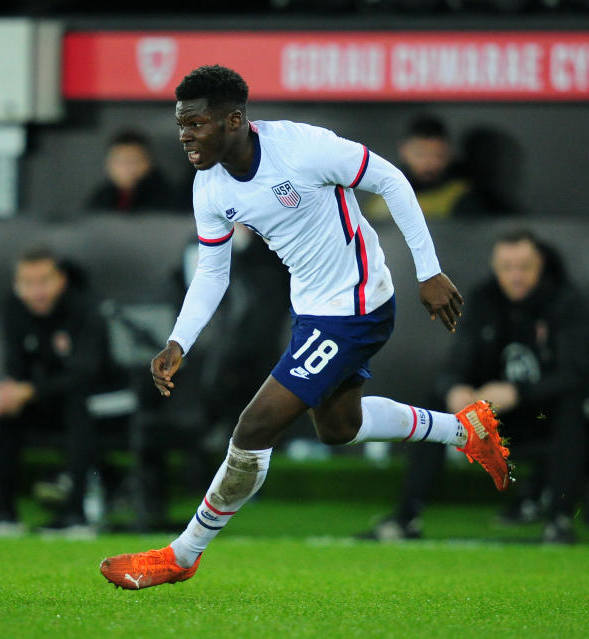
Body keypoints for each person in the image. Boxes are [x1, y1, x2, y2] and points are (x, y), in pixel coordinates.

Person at [99, 65, 512, 590]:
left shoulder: (302, 147)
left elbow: (390, 178)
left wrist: (428, 270)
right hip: (315, 309)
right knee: (339, 427)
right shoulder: (209, 186)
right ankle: (465, 429)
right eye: (181, 125)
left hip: (357, 306)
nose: (185, 137)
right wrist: (180, 339)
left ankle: (182, 554)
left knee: (253, 429)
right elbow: (212, 270)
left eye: (196, 124)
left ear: (233, 120)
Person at [365, 230, 587, 544]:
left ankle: (559, 522)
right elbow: (457, 360)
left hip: (542, 419)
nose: (516, 275)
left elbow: (574, 374)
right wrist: (455, 388)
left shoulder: (565, 301)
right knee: (436, 399)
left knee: (573, 405)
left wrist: (519, 392)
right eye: (507, 267)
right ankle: (406, 518)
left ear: (541, 266)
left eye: (524, 266)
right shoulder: (484, 298)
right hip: (491, 418)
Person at [0, 247, 120, 537]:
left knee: (78, 406)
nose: (36, 291)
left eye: (44, 281)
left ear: (61, 280)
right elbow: (15, 364)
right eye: (27, 283)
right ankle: (3, 513)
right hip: (47, 397)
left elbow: (87, 373)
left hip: (101, 399)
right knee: (8, 411)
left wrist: (31, 390)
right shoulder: (13, 308)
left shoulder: (86, 307)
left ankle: (76, 513)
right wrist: (13, 391)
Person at [362, 115, 470, 221]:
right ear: (404, 151)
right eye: (420, 154)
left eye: (437, 155)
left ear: (449, 153)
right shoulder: (383, 198)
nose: (429, 163)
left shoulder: (462, 196)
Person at [85, 130, 184, 213]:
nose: (126, 168)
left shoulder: (166, 199)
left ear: (148, 163)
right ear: (108, 165)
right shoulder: (101, 198)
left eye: (133, 161)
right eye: (120, 161)